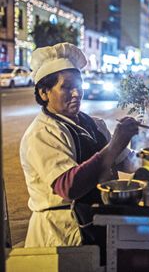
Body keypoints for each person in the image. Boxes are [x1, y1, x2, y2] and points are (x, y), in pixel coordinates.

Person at [20, 43, 139, 253]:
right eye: (66, 87)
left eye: (79, 85)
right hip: (61, 235)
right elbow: (69, 186)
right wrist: (113, 146)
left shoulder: (93, 124)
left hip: (95, 224)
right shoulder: (43, 134)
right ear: (44, 92)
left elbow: (128, 161)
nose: (76, 93)